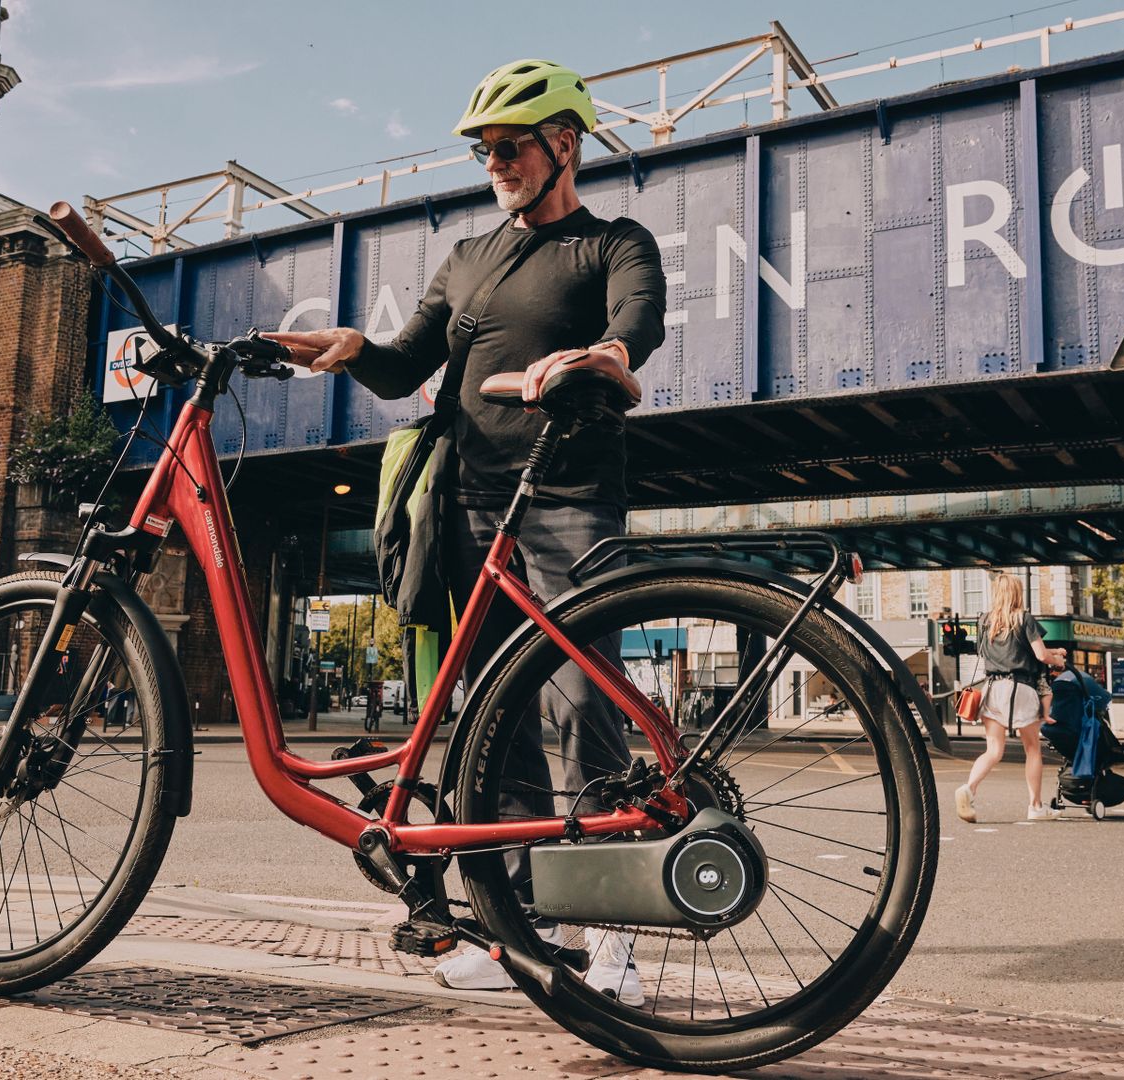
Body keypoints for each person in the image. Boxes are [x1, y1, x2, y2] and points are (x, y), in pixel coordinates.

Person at [265, 58, 665, 1003]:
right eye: (486, 151)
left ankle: (615, 940)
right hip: (471, 513)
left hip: (570, 502)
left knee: (582, 707)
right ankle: (522, 929)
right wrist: (354, 350)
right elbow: (408, 367)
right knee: (497, 727)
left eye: (511, 146)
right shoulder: (470, 257)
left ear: (564, 142)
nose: (496, 163)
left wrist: (602, 357)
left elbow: (634, 325)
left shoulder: (614, 242)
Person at [954, 575, 1067, 823]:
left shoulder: (985, 620)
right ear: (1018, 593)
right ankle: (1035, 806)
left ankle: (969, 789)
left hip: (992, 689)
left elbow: (984, 653)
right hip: (1021, 689)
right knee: (1032, 748)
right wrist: (1057, 659)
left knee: (993, 750)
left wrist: (1053, 651)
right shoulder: (1024, 619)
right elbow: (1040, 655)